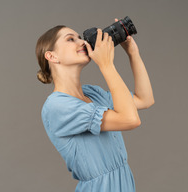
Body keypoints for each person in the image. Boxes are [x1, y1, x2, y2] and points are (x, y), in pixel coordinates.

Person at [36, 18, 154, 192]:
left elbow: (145, 99)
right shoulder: (57, 106)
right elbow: (130, 120)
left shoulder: (92, 93)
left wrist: (133, 54)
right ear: (51, 56)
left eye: (79, 37)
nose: (83, 42)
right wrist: (106, 65)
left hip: (124, 183)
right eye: (71, 39)